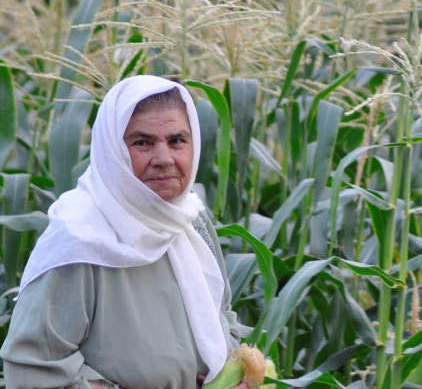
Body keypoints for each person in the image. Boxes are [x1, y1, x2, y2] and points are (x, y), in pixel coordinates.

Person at [0, 76, 248, 389]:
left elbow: (222, 313)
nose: (163, 159)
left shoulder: (191, 221)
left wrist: (233, 373)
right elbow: (32, 370)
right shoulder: (79, 237)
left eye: (177, 141)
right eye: (142, 142)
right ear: (111, 150)